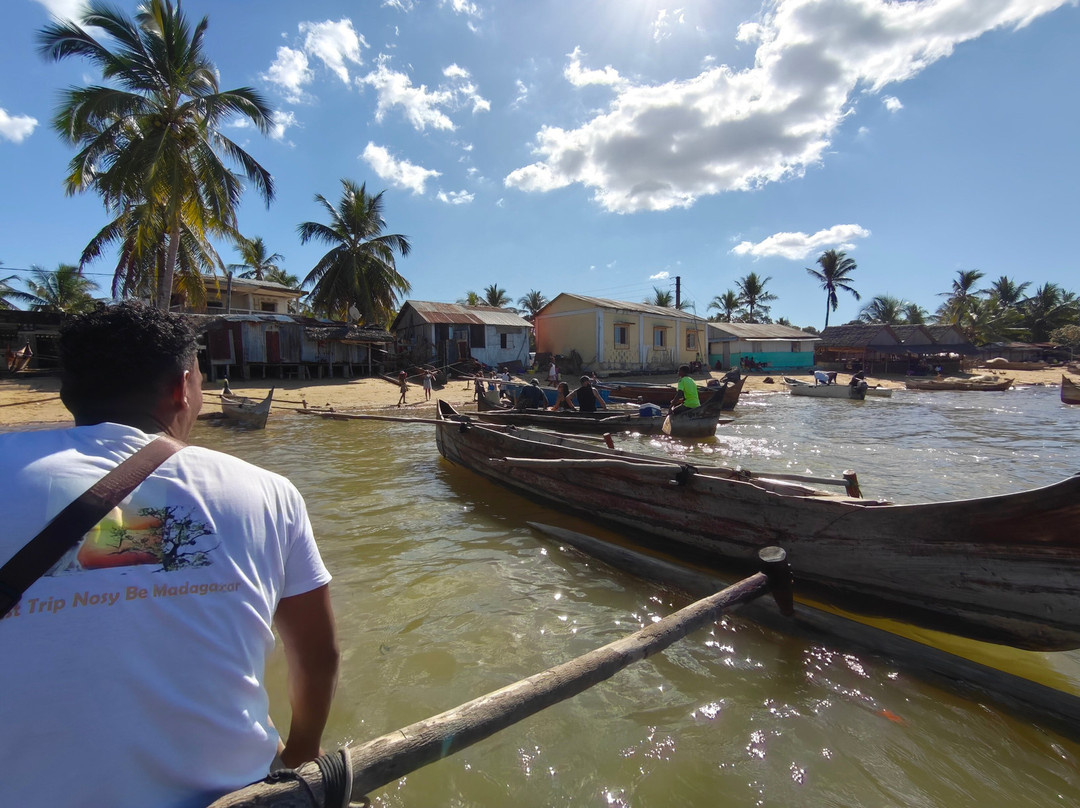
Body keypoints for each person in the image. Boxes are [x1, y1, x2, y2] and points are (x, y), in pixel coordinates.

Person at [0, 303, 339, 808]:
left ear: (67, 392)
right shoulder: (268, 491)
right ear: (184, 387)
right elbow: (315, 656)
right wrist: (302, 753)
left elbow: (117, 561)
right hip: (232, 792)